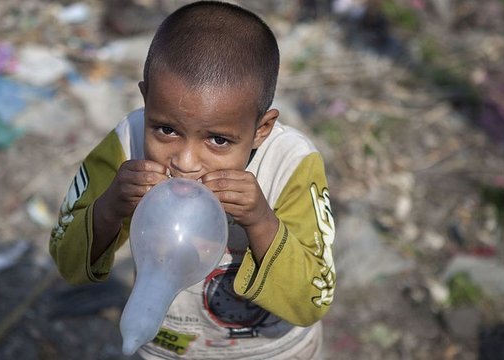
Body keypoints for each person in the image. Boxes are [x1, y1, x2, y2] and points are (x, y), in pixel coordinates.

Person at [49, 1, 336, 359]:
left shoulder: (290, 163)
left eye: (218, 140)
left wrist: (261, 220)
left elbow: (313, 299)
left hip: (272, 352)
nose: (185, 163)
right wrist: (111, 205)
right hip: (167, 347)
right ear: (146, 98)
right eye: (166, 129)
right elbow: (67, 261)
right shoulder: (129, 144)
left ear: (261, 129)